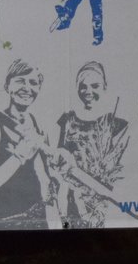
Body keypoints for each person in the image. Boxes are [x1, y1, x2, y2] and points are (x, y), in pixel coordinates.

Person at [0, 59, 56, 229]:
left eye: (33, 83)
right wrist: (20, 153)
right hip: (2, 223)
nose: (27, 88)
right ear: (7, 86)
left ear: (39, 88)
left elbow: (43, 176)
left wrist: (53, 179)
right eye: (20, 81)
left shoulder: (37, 124)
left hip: (37, 219)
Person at [54, 61, 130, 228]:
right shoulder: (67, 119)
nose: (88, 91)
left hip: (99, 200)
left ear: (105, 87)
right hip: (68, 195)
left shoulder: (116, 124)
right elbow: (60, 153)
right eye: (83, 86)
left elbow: (118, 169)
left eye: (95, 86)